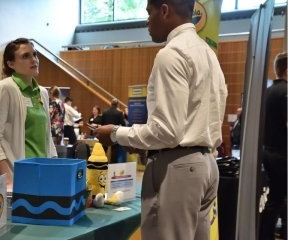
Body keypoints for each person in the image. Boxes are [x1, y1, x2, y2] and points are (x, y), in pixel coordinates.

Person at [95, 0, 227, 239]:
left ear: (164, 11)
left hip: (178, 167)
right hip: (207, 163)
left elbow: (167, 131)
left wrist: (115, 133)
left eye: (149, 12)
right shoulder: (208, 53)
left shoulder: (171, 54)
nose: (146, 20)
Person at [0, 38, 57, 190]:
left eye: (35, 54)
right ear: (11, 64)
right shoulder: (4, 88)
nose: (34, 59)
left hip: (43, 173)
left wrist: (55, 168)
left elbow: (47, 137)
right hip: (18, 177)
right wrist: (8, 180)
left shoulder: (43, 92)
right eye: (26, 56)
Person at [259, 52, 287, 240]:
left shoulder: (267, 92)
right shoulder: (286, 92)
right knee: (277, 199)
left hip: (267, 151)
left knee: (275, 198)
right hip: (282, 154)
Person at [101, 98, 126, 163]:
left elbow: (102, 123)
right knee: (114, 152)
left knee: (103, 150)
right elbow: (123, 124)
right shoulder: (119, 113)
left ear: (111, 104)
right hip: (114, 135)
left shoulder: (105, 112)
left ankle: (101, 163)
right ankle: (112, 166)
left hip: (105, 134)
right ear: (117, 105)